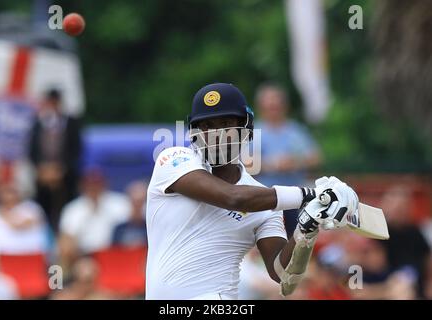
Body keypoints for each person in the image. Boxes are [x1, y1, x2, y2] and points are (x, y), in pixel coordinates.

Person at [145, 83, 358, 300]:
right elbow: (233, 197)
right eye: (207, 126)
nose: (216, 134)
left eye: (226, 124)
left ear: (245, 128)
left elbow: (282, 274)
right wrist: (310, 195)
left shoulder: (263, 201)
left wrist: (306, 228)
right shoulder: (174, 159)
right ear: (195, 132)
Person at [254, 84, 322, 236]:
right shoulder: (254, 132)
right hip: (266, 199)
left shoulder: (296, 131)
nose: (274, 110)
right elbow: (245, 165)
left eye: (277, 106)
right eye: (270, 106)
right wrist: (273, 164)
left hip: (296, 199)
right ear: (261, 108)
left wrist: (295, 162)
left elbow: (315, 158)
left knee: (298, 239)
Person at [29, 88, 82, 233]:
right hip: (43, 177)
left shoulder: (71, 123)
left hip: (65, 178)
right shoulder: (38, 123)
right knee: (44, 208)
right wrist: (43, 169)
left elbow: (76, 149)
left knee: (65, 209)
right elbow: (32, 150)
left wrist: (61, 169)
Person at [58, 167, 130, 270]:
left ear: (104, 184)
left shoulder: (120, 203)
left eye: (97, 184)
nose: (93, 188)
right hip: (84, 257)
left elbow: (132, 228)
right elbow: (66, 240)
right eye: (90, 185)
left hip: (116, 255)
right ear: (82, 186)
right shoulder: (73, 209)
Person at [0, 184, 48, 255]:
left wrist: (6, 216)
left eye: (12, 200)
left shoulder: (31, 208)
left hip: (32, 256)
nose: (9, 204)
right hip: (1, 258)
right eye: (5, 201)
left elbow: (22, 224)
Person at [112, 181, 148, 247]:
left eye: (140, 202)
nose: (137, 206)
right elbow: (113, 250)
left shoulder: (149, 228)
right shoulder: (119, 229)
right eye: (134, 202)